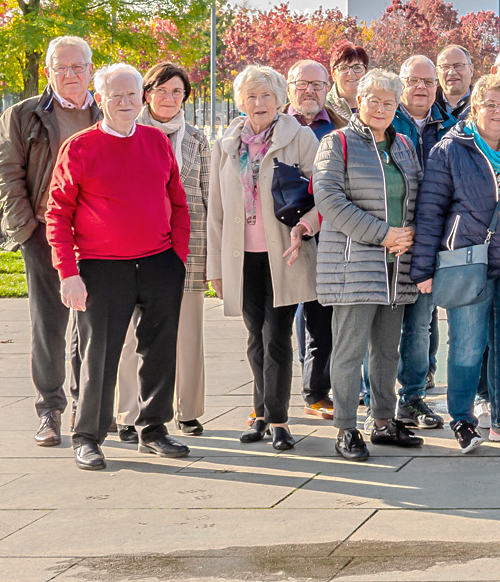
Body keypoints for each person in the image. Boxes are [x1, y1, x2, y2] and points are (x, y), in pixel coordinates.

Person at [47, 62, 191, 471]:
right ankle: (88, 437)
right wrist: (68, 273)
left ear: (141, 97)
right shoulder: (79, 147)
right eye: (116, 96)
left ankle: (154, 429)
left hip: (159, 263)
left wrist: (175, 258)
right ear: (100, 99)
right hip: (101, 267)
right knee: (98, 356)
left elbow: (178, 202)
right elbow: (57, 214)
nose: (126, 103)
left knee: (159, 351)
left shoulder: (156, 141)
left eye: (132, 95)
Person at [411, 73, 500, 454]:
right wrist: (423, 269)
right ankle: (463, 420)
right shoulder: (450, 149)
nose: (498, 112)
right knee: (466, 345)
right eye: (490, 105)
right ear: (475, 107)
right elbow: (430, 212)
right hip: (467, 262)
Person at [0, 35, 101, 447]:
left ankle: (87, 408)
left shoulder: (108, 110)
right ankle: (50, 410)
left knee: (92, 324)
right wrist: (28, 230)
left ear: (91, 69)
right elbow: (6, 175)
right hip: (44, 233)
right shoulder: (24, 115)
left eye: (78, 67)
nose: (70, 74)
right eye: (61, 67)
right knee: (49, 323)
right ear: (48, 71)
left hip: (98, 236)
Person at [207, 64, 321, 452]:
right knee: (254, 337)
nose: (259, 103)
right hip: (242, 258)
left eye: (266, 95)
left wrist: (305, 226)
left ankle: (279, 420)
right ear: (241, 101)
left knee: (277, 338)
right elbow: (216, 211)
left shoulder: (299, 138)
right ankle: (260, 414)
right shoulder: (227, 145)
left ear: (279, 100)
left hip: (284, 255)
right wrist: (216, 268)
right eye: (251, 96)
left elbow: (324, 192)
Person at [313, 69, 425, 461]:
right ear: (359, 101)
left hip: (397, 266)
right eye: (373, 100)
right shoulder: (337, 142)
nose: (380, 108)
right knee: (349, 350)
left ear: (398, 106)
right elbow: (329, 200)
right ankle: (345, 428)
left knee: (386, 351)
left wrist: (408, 233)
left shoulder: (405, 146)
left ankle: (383, 421)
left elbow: (417, 196)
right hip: (353, 266)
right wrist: (383, 233)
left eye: (389, 102)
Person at [115, 62, 210, 440]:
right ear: (146, 94)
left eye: (177, 92)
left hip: (189, 249)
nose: (169, 99)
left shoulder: (197, 140)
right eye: (161, 90)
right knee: (132, 336)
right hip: (137, 249)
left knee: (188, 334)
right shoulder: (128, 133)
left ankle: (187, 410)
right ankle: (128, 413)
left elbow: (205, 198)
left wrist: (206, 258)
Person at [391, 54, 451, 431]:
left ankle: (412, 397)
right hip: (387, 239)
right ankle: (375, 397)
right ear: (401, 83)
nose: (421, 88)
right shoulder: (382, 120)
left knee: (420, 323)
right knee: (380, 325)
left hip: (429, 238)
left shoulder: (449, 126)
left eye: (429, 82)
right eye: (414, 80)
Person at [286, 58, 341, 421]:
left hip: (325, 231)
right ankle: (265, 403)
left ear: (327, 89)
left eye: (317, 85)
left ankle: (316, 392)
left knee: (321, 317)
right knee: (277, 321)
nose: (309, 91)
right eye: (302, 84)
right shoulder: (274, 124)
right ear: (289, 88)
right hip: (278, 236)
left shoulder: (338, 126)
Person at [326, 41, 369, 122]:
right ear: (333, 75)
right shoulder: (324, 109)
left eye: (357, 67)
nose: (351, 73)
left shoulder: (376, 106)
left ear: (366, 72)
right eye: (343, 68)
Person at [435, 45, 476, 125]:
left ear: (471, 70)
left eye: (458, 66)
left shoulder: (483, 103)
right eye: (445, 67)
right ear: (437, 72)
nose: (452, 72)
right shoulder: (428, 104)